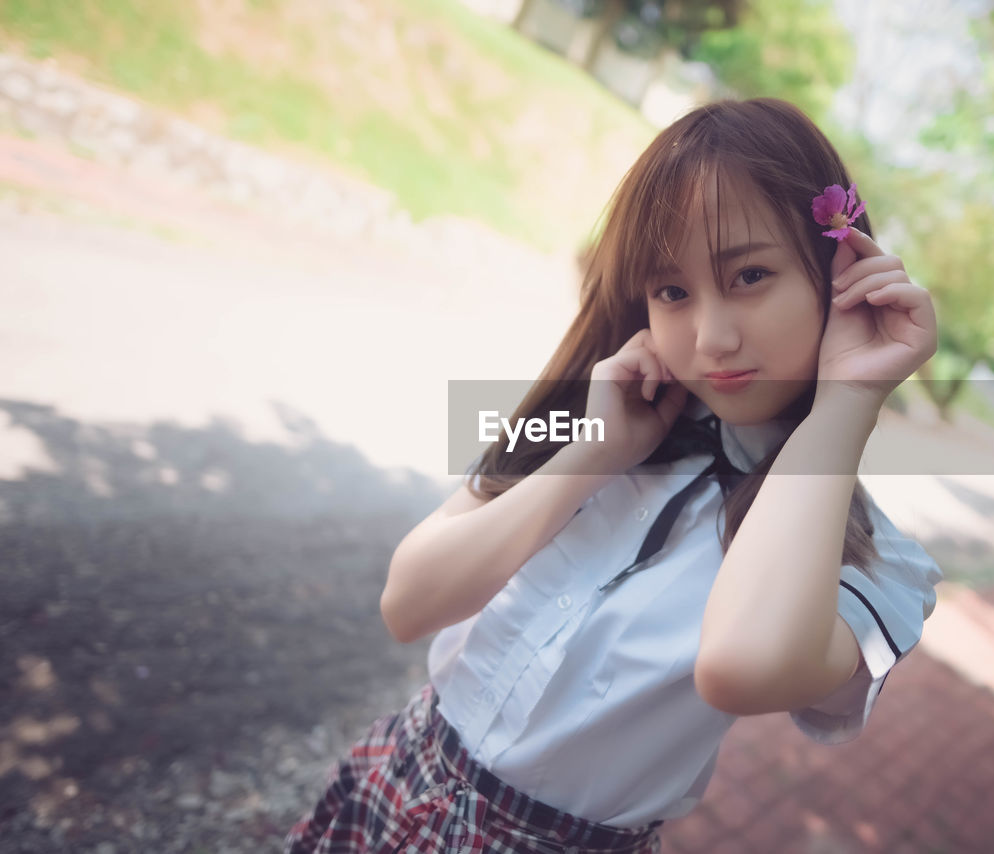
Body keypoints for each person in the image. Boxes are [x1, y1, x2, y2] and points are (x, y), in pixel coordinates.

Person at [285, 97, 943, 853]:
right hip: (394, 779)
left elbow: (741, 667)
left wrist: (847, 400)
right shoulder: (592, 415)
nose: (712, 337)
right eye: (672, 292)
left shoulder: (878, 560)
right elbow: (407, 603)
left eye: (751, 275)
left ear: (840, 273)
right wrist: (590, 454)